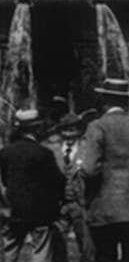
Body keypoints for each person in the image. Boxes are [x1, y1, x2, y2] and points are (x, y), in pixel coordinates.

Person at [82, 78, 129, 262]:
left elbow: (89, 169)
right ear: (127, 102)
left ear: (104, 101)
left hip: (104, 205)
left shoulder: (97, 126)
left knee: (105, 256)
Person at [0, 109, 65, 262]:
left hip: (12, 211)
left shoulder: (5, 152)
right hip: (40, 213)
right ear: (37, 128)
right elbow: (57, 182)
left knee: (9, 251)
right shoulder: (44, 153)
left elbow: (3, 180)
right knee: (41, 252)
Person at [56, 112, 95, 262]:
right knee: (57, 245)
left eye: (73, 131)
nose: (69, 135)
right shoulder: (52, 149)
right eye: (65, 131)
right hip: (58, 206)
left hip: (81, 205)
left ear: (79, 131)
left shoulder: (87, 149)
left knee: (87, 247)